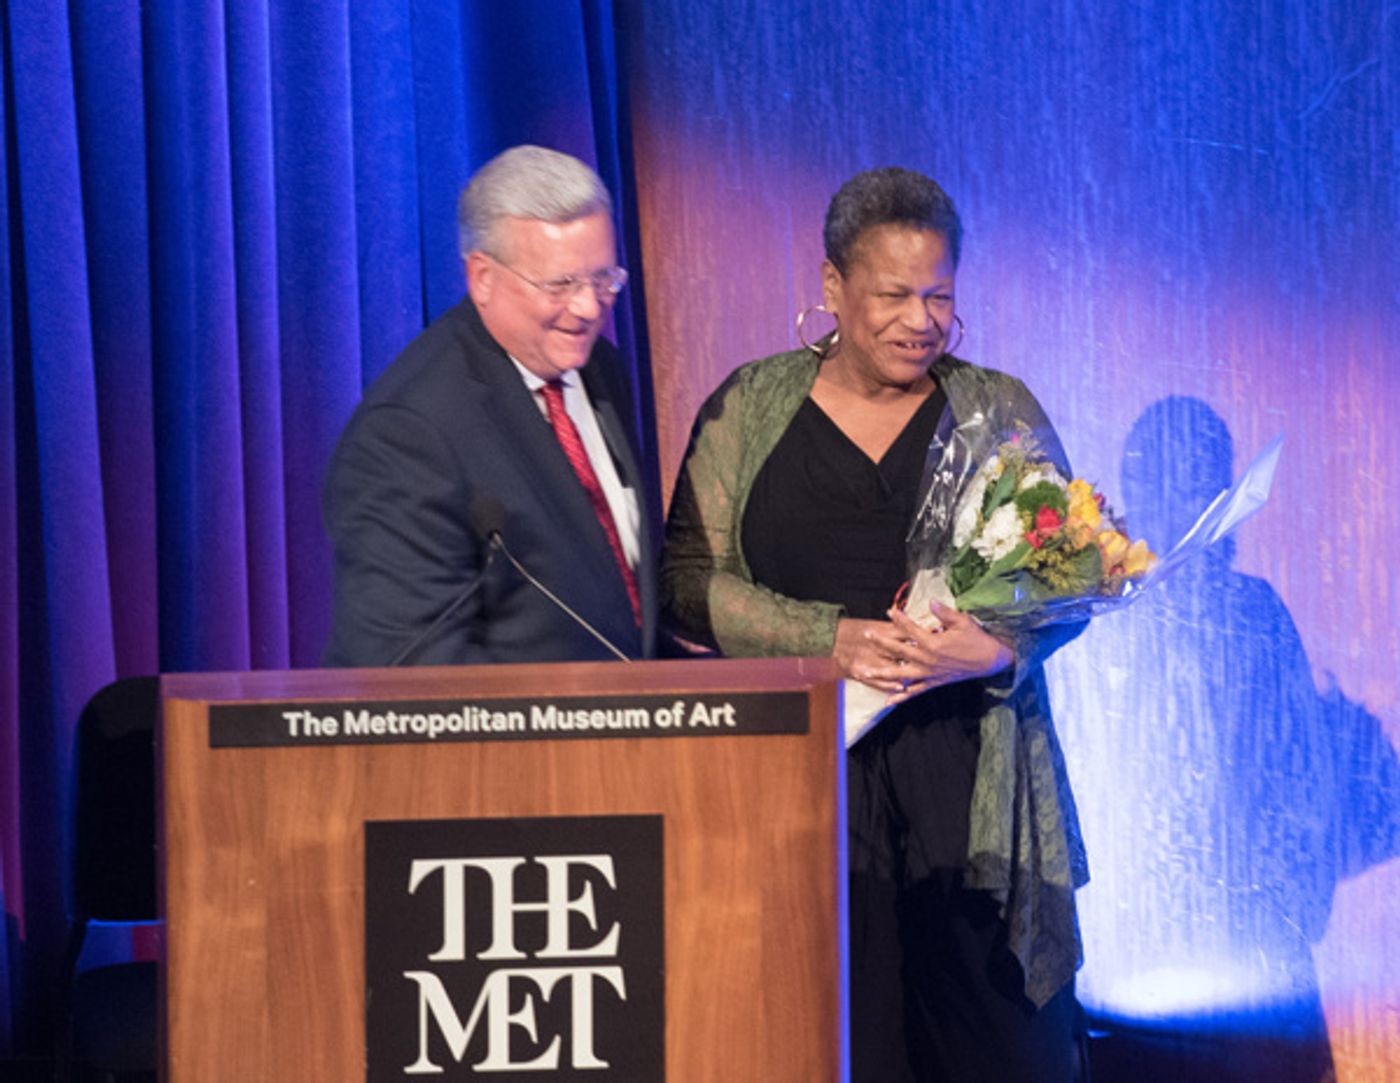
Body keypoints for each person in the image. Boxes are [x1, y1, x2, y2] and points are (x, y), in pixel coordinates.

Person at [662, 168, 1087, 1081]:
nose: (920, 319)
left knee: (1002, 1043)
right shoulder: (750, 407)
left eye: (940, 294)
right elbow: (687, 585)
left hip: (968, 775)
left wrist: (1003, 644)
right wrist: (829, 637)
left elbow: (1072, 572)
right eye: (894, 294)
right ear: (832, 288)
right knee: (834, 1037)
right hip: (809, 775)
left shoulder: (998, 408)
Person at [324, 145, 656, 667]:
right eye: (560, 284)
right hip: (523, 742)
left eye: (603, 279)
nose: (589, 308)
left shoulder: (600, 367)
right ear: (482, 277)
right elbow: (409, 663)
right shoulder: (410, 432)